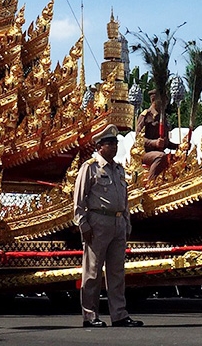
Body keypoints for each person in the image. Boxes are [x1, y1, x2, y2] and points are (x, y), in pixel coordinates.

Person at [73, 125, 143, 328]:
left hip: (118, 222)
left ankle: (119, 314)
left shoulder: (119, 169)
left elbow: (125, 199)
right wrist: (82, 223)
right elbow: (78, 199)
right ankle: (90, 314)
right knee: (92, 272)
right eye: (110, 143)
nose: (114, 146)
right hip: (98, 223)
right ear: (100, 146)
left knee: (117, 273)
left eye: (115, 143)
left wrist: (127, 222)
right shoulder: (91, 167)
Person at [136, 88, 177, 182]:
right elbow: (138, 139)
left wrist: (179, 146)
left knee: (178, 156)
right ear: (154, 99)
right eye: (163, 99)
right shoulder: (145, 116)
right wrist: (154, 143)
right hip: (145, 153)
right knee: (160, 156)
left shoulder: (163, 117)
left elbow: (165, 142)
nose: (166, 101)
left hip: (160, 151)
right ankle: (151, 183)